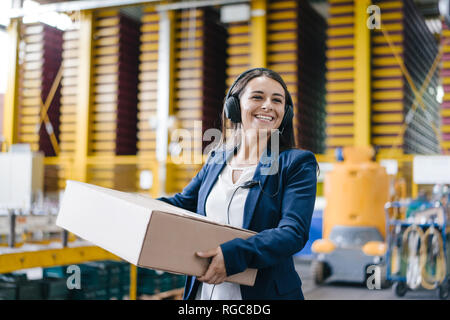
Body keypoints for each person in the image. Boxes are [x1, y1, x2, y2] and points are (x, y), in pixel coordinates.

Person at [157, 67, 318, 300]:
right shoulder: (217, 159)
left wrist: (233, 256)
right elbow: (181, 204)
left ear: (286, 112)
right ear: (234, 106)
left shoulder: (296, 164)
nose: (268, 106)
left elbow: (293, 232)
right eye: (257, 97)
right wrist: (133, 208)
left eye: (277, 100)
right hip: (205, 293)